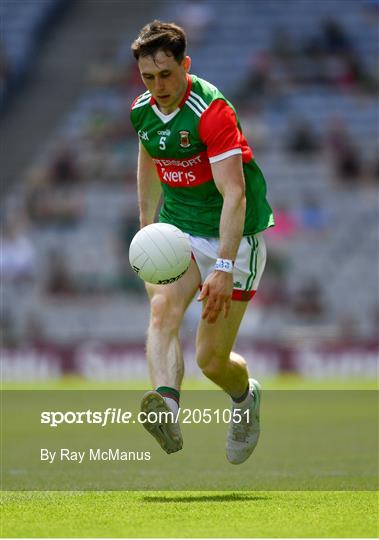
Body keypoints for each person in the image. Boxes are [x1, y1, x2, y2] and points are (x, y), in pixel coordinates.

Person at [130, 21, 274, 464]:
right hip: (178, 231)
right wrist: (146, 227)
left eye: (166, 75)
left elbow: (236, 192)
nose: (158, 87)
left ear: (185, 65)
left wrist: (224, 266)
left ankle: (245, 398)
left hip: (235, 237)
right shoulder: (142, 110)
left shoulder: (212, 111)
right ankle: (168, 406)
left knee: (212, 361)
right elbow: (150, 161)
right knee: (161, 309)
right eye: (148, 78)